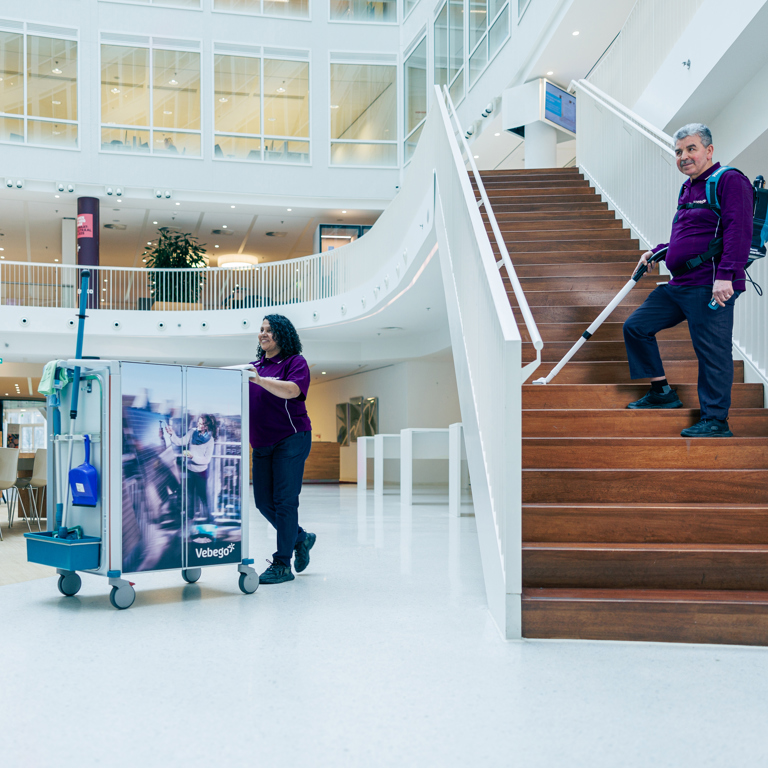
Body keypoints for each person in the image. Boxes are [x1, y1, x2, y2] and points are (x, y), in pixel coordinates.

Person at [622, 123, 753, 437]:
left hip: (709, 285)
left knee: (712, 352)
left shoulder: (729, 180)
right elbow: (692, 235)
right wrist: (657, 251)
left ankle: (716, 420)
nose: (683, 156)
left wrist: (726, 277)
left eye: (691, 149)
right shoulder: (689, 187)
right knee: (636, 327)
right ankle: (662, 393)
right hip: (679, 284)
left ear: (708, 150)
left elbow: (739, 231)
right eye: (678, 151)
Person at [248, 314, 315, 584]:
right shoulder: (252, 366)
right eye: (261, 329)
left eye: (270, 330)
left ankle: (282, 564)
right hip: (262, 442)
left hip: (292, 438)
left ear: (283, 335)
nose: (263, 334)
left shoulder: (294, 362)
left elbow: (292, 390)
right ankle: (301, 538)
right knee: (263, 502)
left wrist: (260, 380)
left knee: (285, 501)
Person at [166, 414, 216, 522]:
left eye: (201, 423)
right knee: (189, 495)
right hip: (189, 470)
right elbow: (180, 442)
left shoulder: (210, 440)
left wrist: (192, 456)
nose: (198, 425)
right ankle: (190, 517)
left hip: (201, 472)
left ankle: (209, 517)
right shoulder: (192, 432)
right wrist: (172, 434)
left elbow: (206, 460)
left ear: (206, 426)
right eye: (198, 422)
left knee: (202, 496)